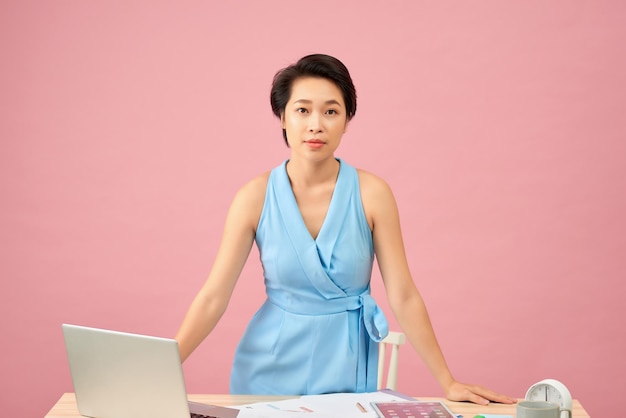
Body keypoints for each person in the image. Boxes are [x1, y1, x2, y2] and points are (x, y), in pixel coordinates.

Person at [175, 53, 516, 405]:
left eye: (331, 111)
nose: (316, 125)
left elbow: (403, 294)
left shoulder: (373, 194)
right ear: (282, 117)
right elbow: (214, 297)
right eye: (302, 110)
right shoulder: (253, 197)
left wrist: (448, 381)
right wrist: (163, 369)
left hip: (346, 368)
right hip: (266, 370)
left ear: (347, 121)